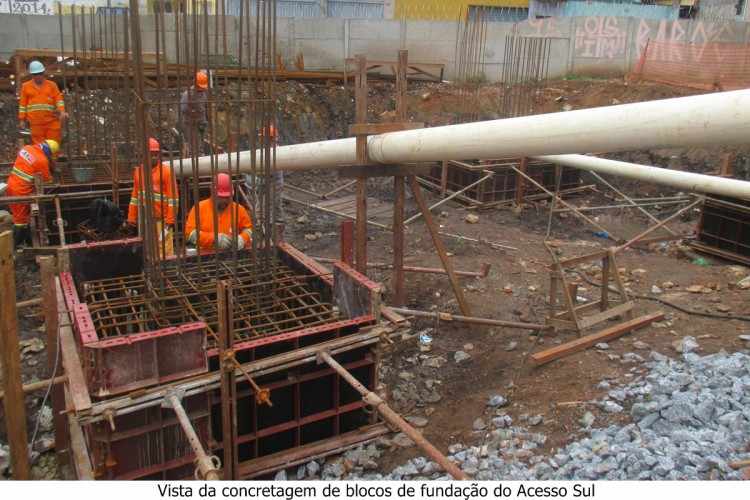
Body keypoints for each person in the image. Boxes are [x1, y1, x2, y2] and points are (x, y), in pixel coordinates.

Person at [126, 137, 178, 257]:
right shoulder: (139, 172)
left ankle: (167, 274)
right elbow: (135, 197)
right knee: (149, 250)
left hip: (163, 221)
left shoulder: (166, 172)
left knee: (164, 251)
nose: (154, 157)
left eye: (156, 154)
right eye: (151, 154)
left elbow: (173, 198)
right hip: (146, 221)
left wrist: (170, 220)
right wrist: (131, 218)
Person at [5, 140, 58, 248]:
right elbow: (47, 180)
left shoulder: (27, 148)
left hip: (11, 184)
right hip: (20, 191)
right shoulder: (42, 160)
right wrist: (52, 169)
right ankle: (14, 248)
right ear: (49, 153)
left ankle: (27, 241)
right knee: (20, 221)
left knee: (19, 217)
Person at [185, 173, 253, 253]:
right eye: (220, 197)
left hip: (232, 255)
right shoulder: (199, 208)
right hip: (206, 256)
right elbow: (189, 234)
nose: (224, 201)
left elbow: (248, 229)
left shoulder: (239, 209)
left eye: (227, 197)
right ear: (212, 192)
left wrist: (242, 238)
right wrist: (214, 239)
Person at [18, 61, 67, 151]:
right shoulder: (26, 86)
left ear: (43, 73)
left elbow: (59, 99)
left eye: (40, 74)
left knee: (53, 144)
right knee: (39, 147)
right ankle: (42, 163)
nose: (38, 76)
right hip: (35, 123)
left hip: (51, 121)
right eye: (36, 74)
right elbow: (22, 104)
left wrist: (62, 111)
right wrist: (22, 119)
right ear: (32, 75)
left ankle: (52, 163)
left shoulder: (52, 85)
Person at [180, 70, 209, 156]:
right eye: (200, 86)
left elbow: (205, 106)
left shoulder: (203, 93)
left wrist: (205, 120)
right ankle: (196, 161)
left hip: (202, 122)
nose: (202, 89)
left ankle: (201, 157)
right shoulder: (187, 94)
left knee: (202, 144)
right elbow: (183, 109)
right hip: (191, 123)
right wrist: (194, 112)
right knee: (194, 146)